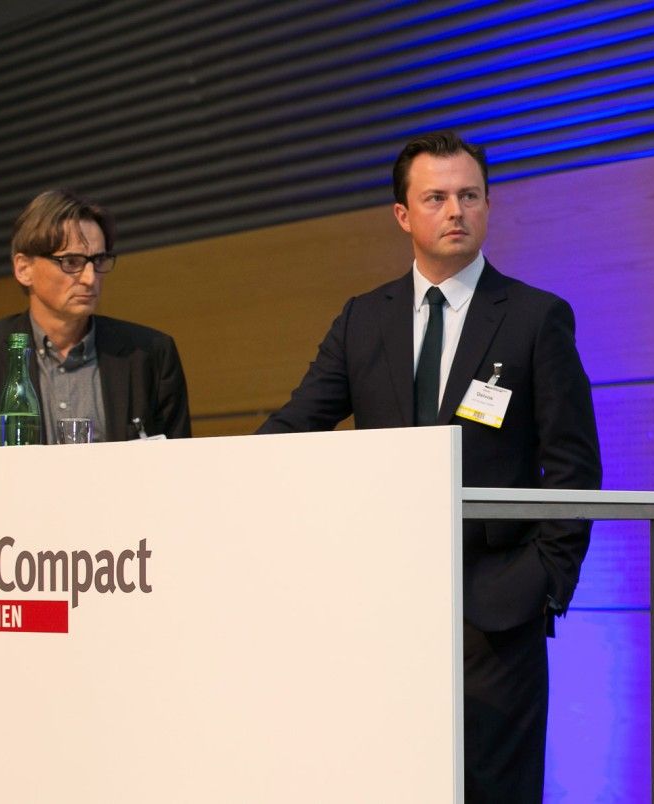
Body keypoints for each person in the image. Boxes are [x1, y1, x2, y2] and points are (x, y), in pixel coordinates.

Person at [257, 131, 602, 801]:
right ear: (402, 214)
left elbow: (573, 464)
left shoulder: (536, 318)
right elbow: (296, 427)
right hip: (384, 603)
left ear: (488, 205)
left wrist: (545, 581)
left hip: (498, 609)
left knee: (495, 788)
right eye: (436, 198)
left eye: (469, 196)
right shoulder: (363, 319)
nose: (455, 211)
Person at [0, 189, 191, 447]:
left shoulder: (150, 353)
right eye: (71, 261)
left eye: (98, 260)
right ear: (24, 269)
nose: (90, 278)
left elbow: (179, 463)